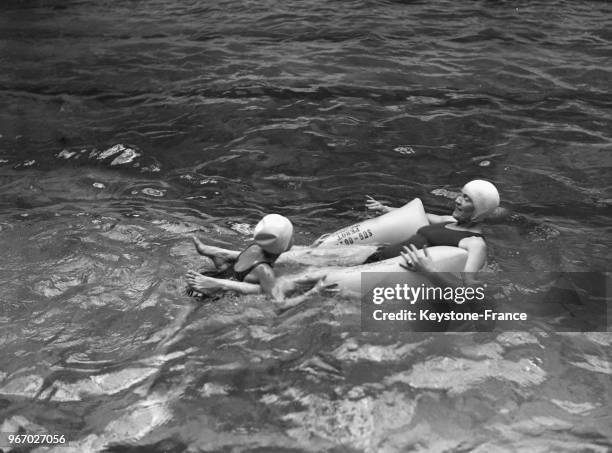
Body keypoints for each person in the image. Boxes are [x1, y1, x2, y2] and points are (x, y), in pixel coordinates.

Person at [365, 179, 501, 285]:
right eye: (461, 195)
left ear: (479, 210)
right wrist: (385, 208)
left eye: (467, 199)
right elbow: (421, 215)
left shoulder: (475, 244)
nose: (457, 200)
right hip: (378, 256)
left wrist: (430, 271)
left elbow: (468, 288)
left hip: (385, 274)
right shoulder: (449, 220)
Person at [185, 214, 296, 302]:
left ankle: (219, 256)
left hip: (223, 275)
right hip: (217, 295)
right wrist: (307, 294)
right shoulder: (265, 272)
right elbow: (277, 300)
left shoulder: (254, 248)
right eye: (291, 236)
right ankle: (218, 282)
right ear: (284, 245)